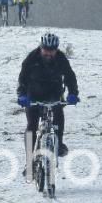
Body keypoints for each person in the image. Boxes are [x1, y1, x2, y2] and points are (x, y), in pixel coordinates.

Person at [17, 32, 79, 171]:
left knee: (58, 116)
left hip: (54, 93)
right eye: (46, 50)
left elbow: (70, 77)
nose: (49, 54)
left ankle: (59, 145)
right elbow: (23, 78)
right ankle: (29, 160)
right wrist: (22, 95)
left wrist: (73, 93)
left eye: (52, 51)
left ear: (56, 49)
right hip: (33, 94)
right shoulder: (32, 58)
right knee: (32, 125)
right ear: (41, 47)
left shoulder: (61, 59)